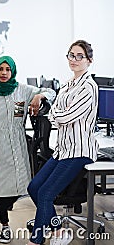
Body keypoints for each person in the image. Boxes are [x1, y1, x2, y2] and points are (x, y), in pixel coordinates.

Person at [0, 56, 56, 243]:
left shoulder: (23, 91)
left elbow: (51, 91)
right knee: (1, 189)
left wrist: (38, 96)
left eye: (7, 69)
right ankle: (4, 225)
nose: (3, 73)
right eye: (0, 69)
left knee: (21, 188)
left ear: (12, 71)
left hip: (18, 145)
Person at [26, 40, 98, 245]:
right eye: (71, 55)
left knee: (46, 194)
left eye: (79, 56)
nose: (74, 60)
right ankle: (57, 230)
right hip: (63, 149)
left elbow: (64, 117)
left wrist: (58, 114)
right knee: (34, 188)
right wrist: (59, 114)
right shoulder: (68, 85)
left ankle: (36, 240)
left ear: (89, 60)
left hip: (79, 150)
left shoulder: (89, 87)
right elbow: (53, 114)